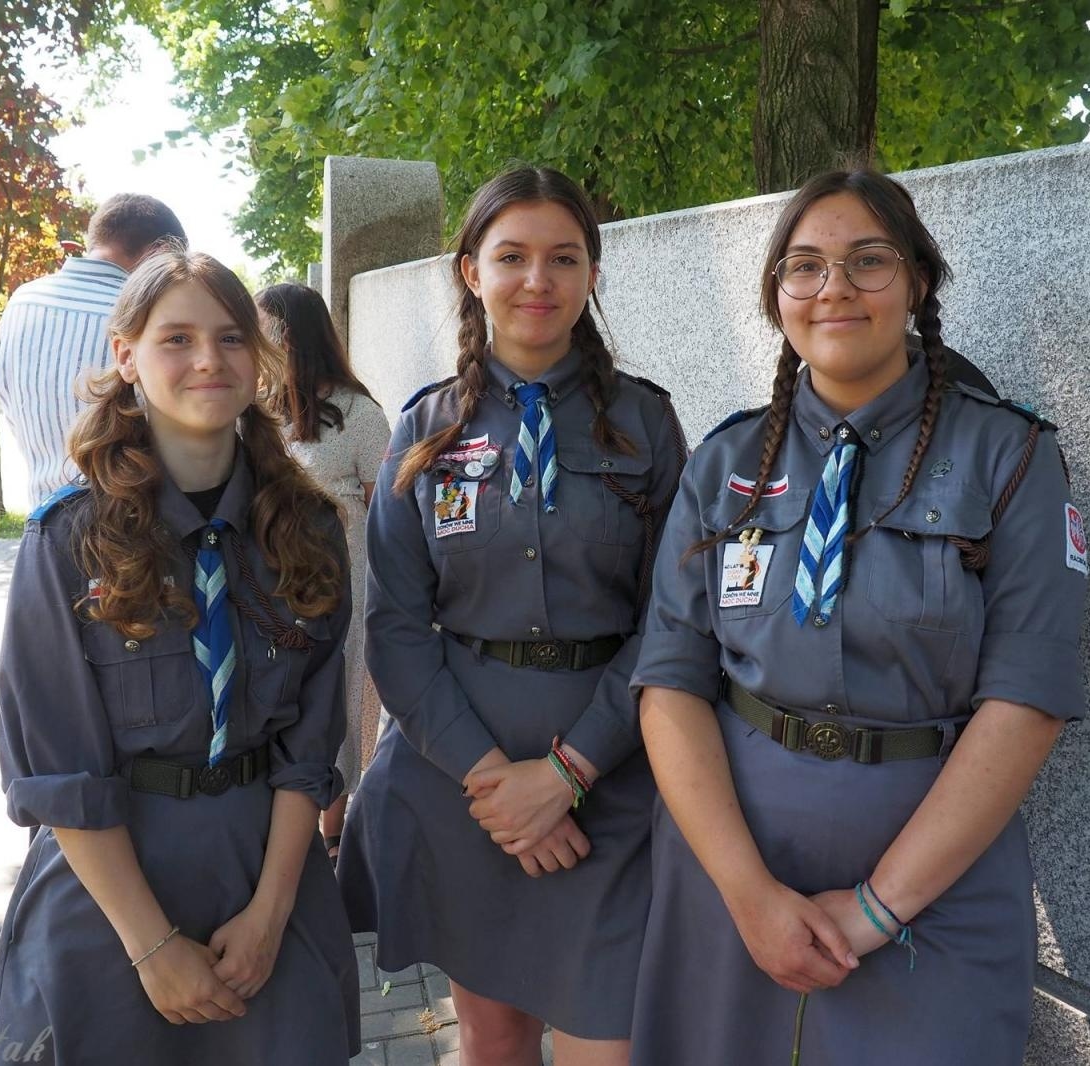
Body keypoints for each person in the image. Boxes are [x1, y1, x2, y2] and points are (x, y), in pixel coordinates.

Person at [629, 169, 1088, 1065]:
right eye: (804, 267)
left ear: (918, 281)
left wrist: (880, 906)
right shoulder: (722, 459)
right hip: (730, 863)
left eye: (867, 261)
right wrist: (748, 892)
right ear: (778, 298)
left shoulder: (1011, 457)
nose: (834, 287)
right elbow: (670, 682)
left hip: (933, 880)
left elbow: (1027, 698)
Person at [337, 166, 687, 1066]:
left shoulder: (646, 427)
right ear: (471, 272)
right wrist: (498, 786)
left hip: (610, 778)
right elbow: (399, 632)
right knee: (492, 1040)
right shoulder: (425, 431)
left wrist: (567, 774)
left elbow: (674, 619)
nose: (539, 280)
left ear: (592, 276)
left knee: (604, 1047)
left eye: (564, 258)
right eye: (513, 256)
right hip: (463, 783)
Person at [0, 249, 359, 1064]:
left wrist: (269, 916)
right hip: (112, 898)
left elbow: (310, 748)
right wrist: (152, 948)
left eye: (230, 338)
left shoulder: (307, 529)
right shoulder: (67, 543)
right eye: (176, 338)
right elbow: (55, 772)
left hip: (267, 873)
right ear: (127, 357)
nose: (207, 361)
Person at [255, 282, 391, 862]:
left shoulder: (360, 414)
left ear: (286, 334)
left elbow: (386, 511)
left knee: (336, 706)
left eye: (256, 327)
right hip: (265, 592)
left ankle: (329, 840)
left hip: (343, 593)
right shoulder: (255, 410)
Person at [0, 193, 187, 506]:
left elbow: (10, 409)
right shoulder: (149, 319)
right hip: (135, 528)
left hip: (44, 525)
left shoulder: (20, 302)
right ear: (158, 255)